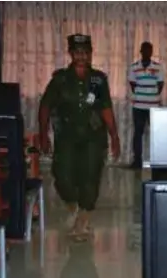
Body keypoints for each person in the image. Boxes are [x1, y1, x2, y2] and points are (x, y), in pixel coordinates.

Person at [38, 34, 120, 241]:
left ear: (91, 54)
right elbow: (45, 107)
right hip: (66, 137)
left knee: (90, 178)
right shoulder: (60, 79)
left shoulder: (98, 79)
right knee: (62, 175)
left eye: (86, 52)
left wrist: (115, 136)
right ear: (71, 54)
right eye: (77, 52)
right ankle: (75, 207)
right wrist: (43, 134)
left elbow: (106, 109)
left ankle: (82, 221)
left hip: (93, 137)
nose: (82, 56)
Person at [127, 41, 165, 168]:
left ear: (152, 52)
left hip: (153, 107)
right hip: (138, 106)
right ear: (141, 51)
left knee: (156, 134)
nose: (147, 52)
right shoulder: (133, 67)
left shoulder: (158, 67)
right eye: (145, 50)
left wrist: (151, 96)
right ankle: (137, 161)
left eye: (149, 50)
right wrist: (143, 94)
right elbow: (132, 85)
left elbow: (160, 85)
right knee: (138, 133)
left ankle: (158, 161)